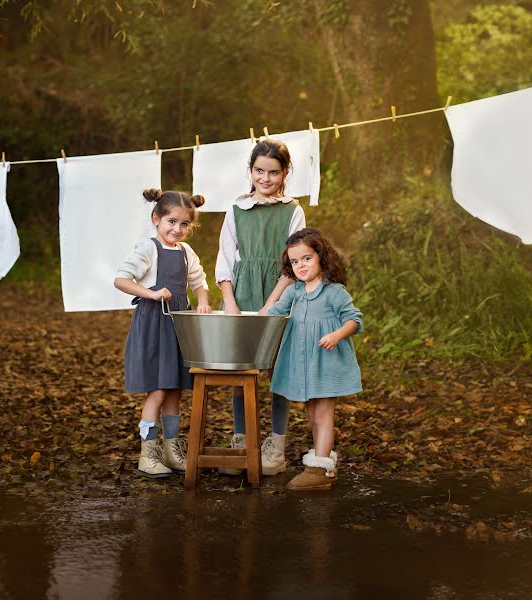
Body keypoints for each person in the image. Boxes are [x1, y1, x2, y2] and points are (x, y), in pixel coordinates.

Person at [215, 139, 306, 475]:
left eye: (273, 172)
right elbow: (225, 258)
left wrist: (273, 303)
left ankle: (276, 447)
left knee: (278, 370)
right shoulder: (236, 209)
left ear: (284, 174)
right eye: (259, 171)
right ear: (250, 171)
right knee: (243, 370)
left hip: (280, 294)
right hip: (242, 292)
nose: (265, 178)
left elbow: (294, 262)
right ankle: (242, 442)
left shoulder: (292, 210)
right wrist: (230, 303)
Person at [115, 189, 212, 478]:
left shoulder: (186, 252)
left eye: (184, 224)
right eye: (171, 222)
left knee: (173, 390)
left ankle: (172, 450)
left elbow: (199, 280)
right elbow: (121, 279)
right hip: (154, 324)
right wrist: (152, 292)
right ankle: (148, 453)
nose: (177, 229)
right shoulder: (148, 248)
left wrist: (204, 300)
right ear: (156, 219)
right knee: (157, 389)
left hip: (178, 325)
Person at [263, 228, 363, 490]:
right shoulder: (295, 291)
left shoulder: (334, 291)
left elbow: (354, 319)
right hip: (303, 362)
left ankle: (318, 468)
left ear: (321, 257)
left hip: (326, 360)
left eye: (306, 258)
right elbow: (275, 313)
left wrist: (337, 335)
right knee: (312, 416)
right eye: (294, 262)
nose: (301, 265)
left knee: (324, 413)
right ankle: (322, 464)